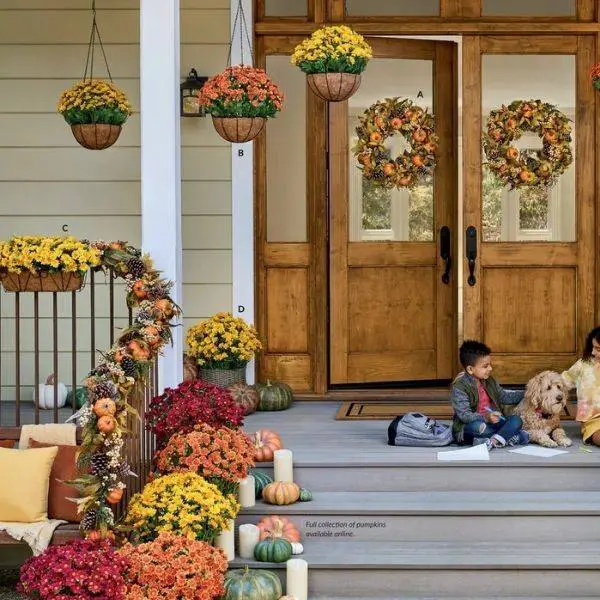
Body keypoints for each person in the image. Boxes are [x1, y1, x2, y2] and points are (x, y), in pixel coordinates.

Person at [450, 340, 527, 449]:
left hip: (493, 421)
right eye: (485, 366)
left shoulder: (489, 380)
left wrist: (528, 393)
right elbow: (465, 416)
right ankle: (507, 436)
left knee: (516, 420)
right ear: (470, 369)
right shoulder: (460, 387)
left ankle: (493, 441)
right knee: (478, 427)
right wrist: (486, 418)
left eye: (490, 365)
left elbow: (504, 396)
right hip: (470, 425)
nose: (490, 368)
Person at [562, 326, 600, 446]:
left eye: (598, 349)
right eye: (593, 348)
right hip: (594, 420)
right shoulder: (583, 365)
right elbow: (562, 382)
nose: (593, 352)